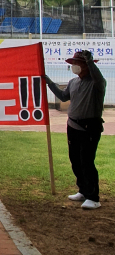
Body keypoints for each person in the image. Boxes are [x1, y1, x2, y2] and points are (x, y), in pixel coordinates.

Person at [45, 50, 106, 210]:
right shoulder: (73, 82)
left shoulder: (96, 83)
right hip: (73, 126)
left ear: (86, 65)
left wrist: (90, 61)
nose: (74, 66)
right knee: (75, 161)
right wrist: (49, 82)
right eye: (73, 63)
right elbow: (63, 96)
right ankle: (83, 190)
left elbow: (97, 77)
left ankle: (94, 197)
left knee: (87, 161)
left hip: (89, 127)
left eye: (78, 63)